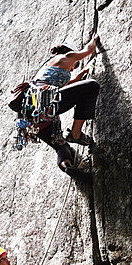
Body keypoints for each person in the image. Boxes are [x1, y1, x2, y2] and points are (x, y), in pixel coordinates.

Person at [32, 35, 100, 183]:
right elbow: (88, 50)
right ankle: (76, 134)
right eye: (75, 65)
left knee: (61, 146)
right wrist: (94, 41)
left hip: (32, 116)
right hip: (46, 103)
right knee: (91, 86)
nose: (73, 67)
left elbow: (70, 85)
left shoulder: (46, 70)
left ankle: (67, 166)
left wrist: (82, 73)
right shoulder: (66, 56)